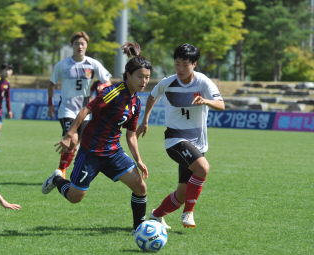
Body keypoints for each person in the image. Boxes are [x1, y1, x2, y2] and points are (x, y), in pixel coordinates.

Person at [42, 42, 151, 231]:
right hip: (91, 152)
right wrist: (70, 134)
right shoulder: (113, 93)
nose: (144, 81)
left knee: (140, 188)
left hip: (113, 153)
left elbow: (131, 134)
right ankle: (57, 179)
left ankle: (138, 228)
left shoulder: (136, 102)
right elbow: (86, 109)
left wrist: (138, 160)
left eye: (147, 77)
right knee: (75, 197)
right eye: (140, 76)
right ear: (128, 76)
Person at [137, 43, 225, 229]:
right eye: (177, 64)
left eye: (185, 64)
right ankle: (188, 213)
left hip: (197, 143)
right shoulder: (168, 82)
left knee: (182, 193)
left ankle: (156, 215)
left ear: (194, 64)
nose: (180, 69)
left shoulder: (203, 82)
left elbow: (221, 104)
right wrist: (145, 120)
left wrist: (206, 100)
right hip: (175, 140)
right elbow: (152, 96)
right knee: (202, 168)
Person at [47, 31, 112, 178]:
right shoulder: (63, 65)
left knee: (77, 145)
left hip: (85, 110)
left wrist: (104, 86)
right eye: (76, 43)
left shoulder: (93, 64)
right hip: (67, 109)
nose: (79, 46)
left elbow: (108, 81)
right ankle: (61, 171)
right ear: (72, 45)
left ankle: (63, 170)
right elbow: (51, 84)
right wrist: (50, 104)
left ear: (87, 46)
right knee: (72, 139)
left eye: (82, 43)